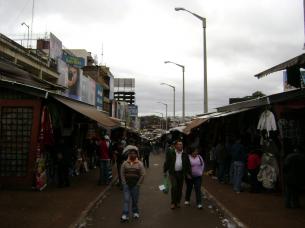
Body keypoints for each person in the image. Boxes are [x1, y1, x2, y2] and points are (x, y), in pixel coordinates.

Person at [163, 139, 191, 209]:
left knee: (179, 188)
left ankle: (178, 202)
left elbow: (188, 164)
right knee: (174, 187)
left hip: (181, 173)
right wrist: (165, 171)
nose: (180, 145)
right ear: (175, 146)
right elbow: (167, 162)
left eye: (181, 144)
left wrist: (188, 173)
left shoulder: (185, 154)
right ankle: (173, 202)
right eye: (178, 144)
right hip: (173, 173)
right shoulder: (171, 152)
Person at [120, 147, 145, 222]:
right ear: (129, 154)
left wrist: (138, 184)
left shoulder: (140, 164)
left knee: (134, 200)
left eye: (134, 153)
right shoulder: (124, 163)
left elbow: (143, 174)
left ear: (136, 155)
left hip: (135, 185)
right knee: (126, 200)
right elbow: (122, 173)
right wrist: (124, 182)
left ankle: (135, 212)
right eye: (131, 153)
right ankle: (125, 214)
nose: (132, 154)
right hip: (126, 185)